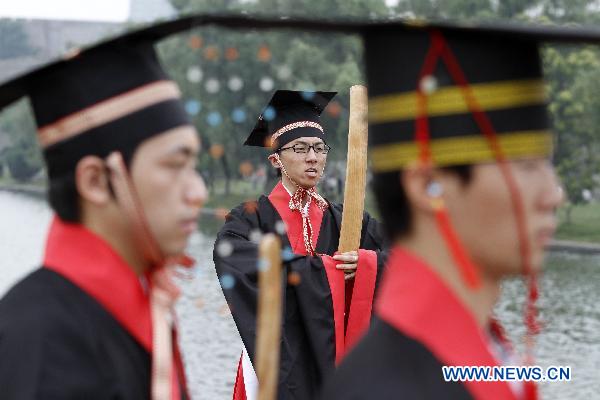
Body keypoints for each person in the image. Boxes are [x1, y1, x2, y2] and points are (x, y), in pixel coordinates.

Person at [320, 24, 565, 400]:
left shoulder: (479, 355)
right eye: (527, 167)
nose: (554, 194)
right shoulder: (387, 389)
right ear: (427, 185)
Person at [0, 29, 207, 399]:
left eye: (194, 165)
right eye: (174, 165)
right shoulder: (43, 343)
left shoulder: (133, 310)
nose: (198, 193)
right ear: (95, 181)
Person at [214, 90, 387, 400]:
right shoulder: (249, 219)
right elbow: (232, 260)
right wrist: (329, 271)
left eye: (320, 148)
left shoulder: (347, 220)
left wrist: (368, 264)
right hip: (275, 358)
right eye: (301, 148)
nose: (313, 157)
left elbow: (405, 252)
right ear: (275, 159)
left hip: (336, 353)